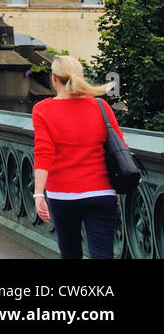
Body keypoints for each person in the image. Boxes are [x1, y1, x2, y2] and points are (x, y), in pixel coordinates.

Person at [32, 55, 124, 259]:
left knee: (70, 253)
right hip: (102, 192)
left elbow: (43, 151)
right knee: (103, 254)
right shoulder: (101, 106)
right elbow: (120, 146)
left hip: (63, 195)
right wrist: (116, 187)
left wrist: (39, 194)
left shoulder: (43, 110)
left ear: (54, 78)